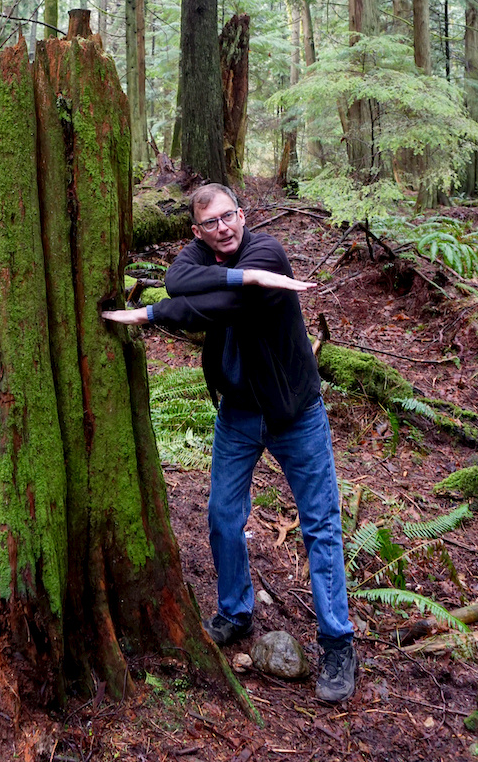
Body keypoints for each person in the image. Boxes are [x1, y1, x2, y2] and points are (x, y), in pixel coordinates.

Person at [103, 183, 357, 704]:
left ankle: (337, 642)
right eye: (211, 223)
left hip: (294, 414)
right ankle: (236, 612)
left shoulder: (270, 253)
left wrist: (152, 314)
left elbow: (219, 306)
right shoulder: (200, 254)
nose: (224, 228)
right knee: (221, 515)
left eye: (229, 217)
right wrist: (220, 280)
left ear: (242, 214)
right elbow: (176, 279)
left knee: (321, 525)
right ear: (197, 230)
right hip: (238, 413)